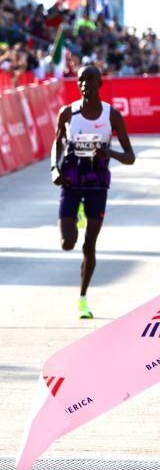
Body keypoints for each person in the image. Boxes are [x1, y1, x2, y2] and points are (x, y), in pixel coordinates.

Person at [50, 65, 134, 319]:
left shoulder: (112, 115)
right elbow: (57, 143)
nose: (85, 83)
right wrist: (55, 168)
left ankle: (82, 298)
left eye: (90, 79)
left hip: (97, 183)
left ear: (100, 83)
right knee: (67, 243)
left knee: (89, 245)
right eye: (80, 79)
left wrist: (109, 153)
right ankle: (77, 216)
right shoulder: (67, 113)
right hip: (71, 181)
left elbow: (130, 157)